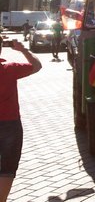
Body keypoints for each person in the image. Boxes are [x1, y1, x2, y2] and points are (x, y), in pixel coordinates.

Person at [0, 37, 42, 201]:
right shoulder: (10, 69)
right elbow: (37, 66)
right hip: (10, 124)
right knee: (7, 168)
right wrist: (23, 50)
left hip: (11, 124)